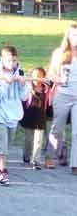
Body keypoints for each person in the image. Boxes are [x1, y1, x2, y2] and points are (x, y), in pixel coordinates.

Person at [0, 46, 29, 185]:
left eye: (13, 60)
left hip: (14, 114)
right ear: (2, 60)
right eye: (8, 60)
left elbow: (24, 98)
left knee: (8, 144)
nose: (11, 63)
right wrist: (5, 84)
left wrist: (23, 85)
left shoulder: (21, 72)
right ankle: (2, 171)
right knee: (2, 146)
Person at [46, 24, 77, 174]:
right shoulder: (60, 53)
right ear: (68, 37)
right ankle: (50, 156)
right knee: (57, 128)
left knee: (76, 132)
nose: (75, 38)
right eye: (73, 35)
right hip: (62, 94)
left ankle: (75, 164)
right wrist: (57, 79)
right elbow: (50, 74)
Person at [20, 68, 50, 170]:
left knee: (38, 141)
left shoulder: (46, 89)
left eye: (40, 76)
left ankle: (36, 160)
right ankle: (26, 156)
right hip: (29, 117)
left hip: (40, 118)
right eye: (35, 76)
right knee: (29, 139)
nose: (37, 78)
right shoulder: (28, 88)